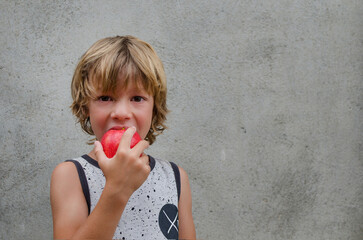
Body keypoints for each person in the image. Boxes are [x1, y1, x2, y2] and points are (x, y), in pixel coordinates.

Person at [50, 35, 196, 239]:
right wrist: (117, 189)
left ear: (155, 108)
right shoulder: (71, 175)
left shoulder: (175, 177)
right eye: (105, 98)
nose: (121, 112)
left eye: (137, 98)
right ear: (85, 106)